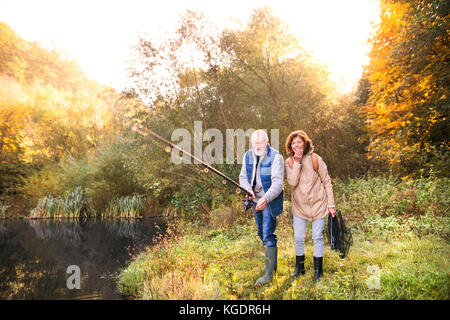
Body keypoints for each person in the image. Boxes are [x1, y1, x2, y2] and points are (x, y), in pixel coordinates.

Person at [284, 130, 336, 282]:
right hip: (300, 206)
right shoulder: (289, 162)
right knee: (299, 237)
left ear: (305, 143)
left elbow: (327, 181)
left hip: (319, 204)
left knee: (317, 237)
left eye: (299, 142)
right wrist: (297, 162)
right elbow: (292, 183)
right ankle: (299, 268)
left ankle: (318, 271)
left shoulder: (315, 159)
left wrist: (331, 204)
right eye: (293, 143)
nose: (296, 145)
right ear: (290, 146)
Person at [239, 130, 284, 286]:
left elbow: (278, 184)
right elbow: (243, 177)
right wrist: (248, 190)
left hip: (269, 200)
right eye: (255, 143)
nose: (258, 146)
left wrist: (265, 198)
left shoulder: (276, 157)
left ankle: (269, 274)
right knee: (261, 233)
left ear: (267, 142)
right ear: (252, 143)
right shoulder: (248, 156)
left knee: (267, 233)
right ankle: (270, 265)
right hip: (255, 200)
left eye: (260, 143)